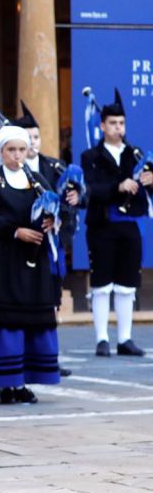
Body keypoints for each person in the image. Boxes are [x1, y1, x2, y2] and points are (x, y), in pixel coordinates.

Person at [0, 125, 61, 403]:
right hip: (2, 259)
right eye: (11, 150)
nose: (17, 155)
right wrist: (16, 231)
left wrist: (54, 220)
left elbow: (55, 206)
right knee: (5, 321)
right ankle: (6, 383)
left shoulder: (37, 179)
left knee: (31, 320)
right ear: (1, 151)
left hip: (33, 259)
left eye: (21, 150)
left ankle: (25, 382)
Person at [12, 101, 80, 377]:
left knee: (50, 302)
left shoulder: (55, 167)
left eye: (37, 137)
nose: (33, 143)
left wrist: (62, 216)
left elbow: (72, 202)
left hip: (49, 247)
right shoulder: (9, 172)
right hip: (22, 247)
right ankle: (21, 356)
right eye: (27, 138)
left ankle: (48, 356)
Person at [81, 90, 149, 358]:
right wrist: (118, 186)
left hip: (129, 225)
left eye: (121, 123)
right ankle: (102, 338)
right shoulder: (91, 157)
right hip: (102, 225)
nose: (118, 128)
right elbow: (90, 190)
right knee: (102, 283)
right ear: (102, 125)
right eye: (112, 123)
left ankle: (125, 338)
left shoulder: (135, 153)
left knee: (127, 284)